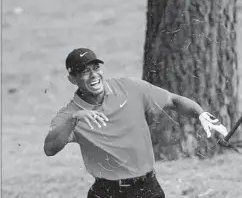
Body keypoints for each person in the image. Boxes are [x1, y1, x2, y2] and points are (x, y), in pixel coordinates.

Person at [43, 48, 228, 198]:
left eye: (95, 68)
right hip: (107, 192)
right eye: (84, 71)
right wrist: (75, 118)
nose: (93, 75)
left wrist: (200, 113)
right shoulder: (70, 115)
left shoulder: (129, 88)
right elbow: (50, 148)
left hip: (147, 187)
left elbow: (172, 100)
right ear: (72, 79)